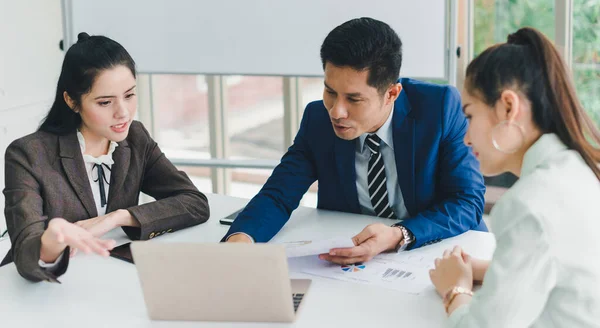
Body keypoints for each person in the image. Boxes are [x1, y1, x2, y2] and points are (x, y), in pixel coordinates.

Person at [225, 17, 486, 264]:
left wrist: (398, 234)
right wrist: (241, 240)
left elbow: (467, 201)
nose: (336, 111)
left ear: (391, 94)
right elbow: (278, 195)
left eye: (354, 99)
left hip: (439, 253)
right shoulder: (318, 119)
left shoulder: (438, 109)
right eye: (330, 92)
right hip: (352, 265)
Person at [2, 33, 210, 282]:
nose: (123, 113)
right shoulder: (28, 155)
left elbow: (194, 203)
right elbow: (25, 254)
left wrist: (118, 217)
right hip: (46, 289)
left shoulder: (135, 137)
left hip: (111, 279)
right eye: (104, 102)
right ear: (71, 101)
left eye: (130, 95)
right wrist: (53, 240)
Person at [429, 27, 600, 327]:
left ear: (508, 106)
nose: (466, 138)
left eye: (469, 116)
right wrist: (483, 270)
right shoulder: (576, 168)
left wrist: (454, 289)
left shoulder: (528, 204)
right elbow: (557, 264)